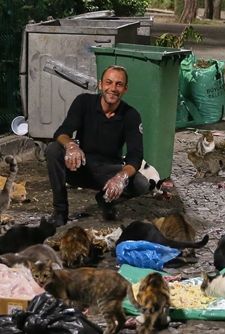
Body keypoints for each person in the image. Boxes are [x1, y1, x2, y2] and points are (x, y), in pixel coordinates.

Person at [45, 65, 151, 225]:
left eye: (118, 84)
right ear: (101, 84)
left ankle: (106, 200)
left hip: (107, 172)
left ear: (125, 89)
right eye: (109, 83)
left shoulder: (131, 116)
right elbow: (62, 132)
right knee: (53, 149)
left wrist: (120, 178)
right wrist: (71, 146)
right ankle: (60, 211)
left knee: (142, 183)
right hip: (80, 166)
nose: (113, 88)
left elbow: (135, 156)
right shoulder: (83, 102)